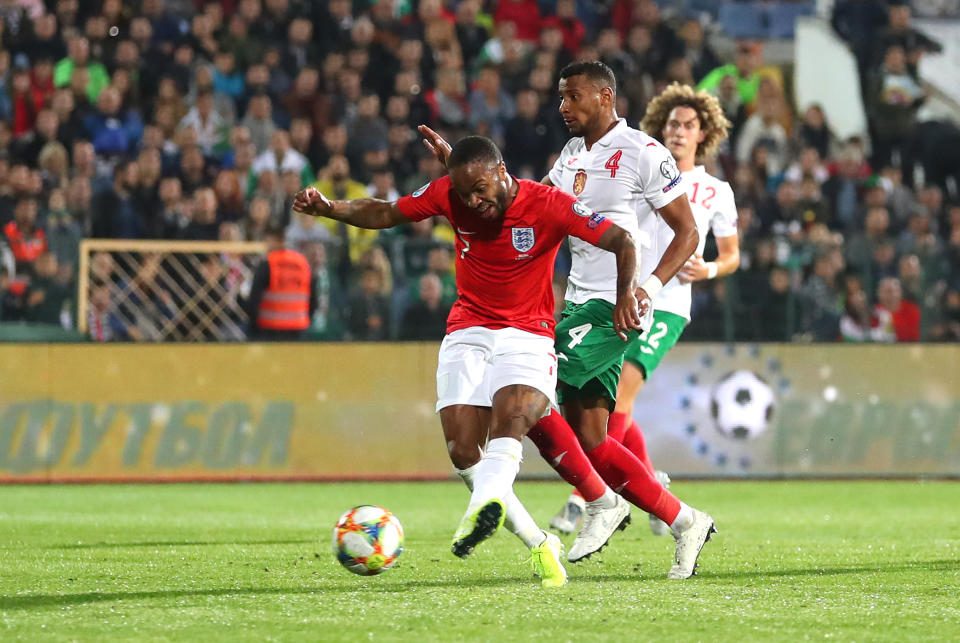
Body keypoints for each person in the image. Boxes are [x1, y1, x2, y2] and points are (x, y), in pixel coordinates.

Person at [293, 135, 646, 588]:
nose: (473, 201)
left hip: (528, 334)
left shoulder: (549, 204)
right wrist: (329, 208)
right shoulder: (449, 194)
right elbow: (385, 212)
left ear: (503, 172)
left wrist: (624, 296)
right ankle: (539, 543)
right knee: (463, 450)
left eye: (480, 189)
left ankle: (479, 510)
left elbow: (621, 240)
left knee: (513, 417)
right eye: (464, 193)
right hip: (469, 329)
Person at [419, 62, 716, 580]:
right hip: (578, 302)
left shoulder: (644, 153)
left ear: (605, 97)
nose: (562, 108)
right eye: (560, 98)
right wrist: (466, 171)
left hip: (614, 304)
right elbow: (528, 197)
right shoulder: (574, 157)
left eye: (572, 98)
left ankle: (602, 501)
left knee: (529, 394)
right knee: (590, 436)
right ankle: (682, 519)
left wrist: (645, 290)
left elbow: (687, 232)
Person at [552, 83, 740, 538]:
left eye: (689, 125)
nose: (679, 130)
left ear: (704, 134)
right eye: (673, 122)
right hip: (622, 299)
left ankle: (588, 499)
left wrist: (710, 269)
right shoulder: (640, 164)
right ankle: (651, 487)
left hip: (668, 304)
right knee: (617, 403)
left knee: (621, 396)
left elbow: (732, 254)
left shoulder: (715, 191)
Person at [245, 226, 316, 341]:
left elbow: (254, 300)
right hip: (298, 329)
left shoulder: (267, 264)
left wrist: (254, 328)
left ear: (272, 241)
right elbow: (313, 300)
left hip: (270, 329)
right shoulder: (303, 263)